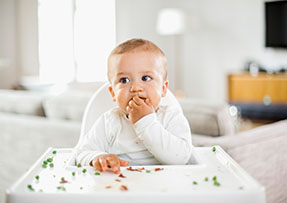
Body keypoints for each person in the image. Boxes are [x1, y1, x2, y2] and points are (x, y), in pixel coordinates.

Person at [76, 38, 192, 174]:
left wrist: (145, 121)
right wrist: (98, 158)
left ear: (163, 88)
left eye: (146, 78)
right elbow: (82, 153)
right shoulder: (109, 122)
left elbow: (181, 158)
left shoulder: (170, 117)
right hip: (119, 187)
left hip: (164, 189)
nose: (135, 88)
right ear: (113, 93)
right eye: (124, 80)